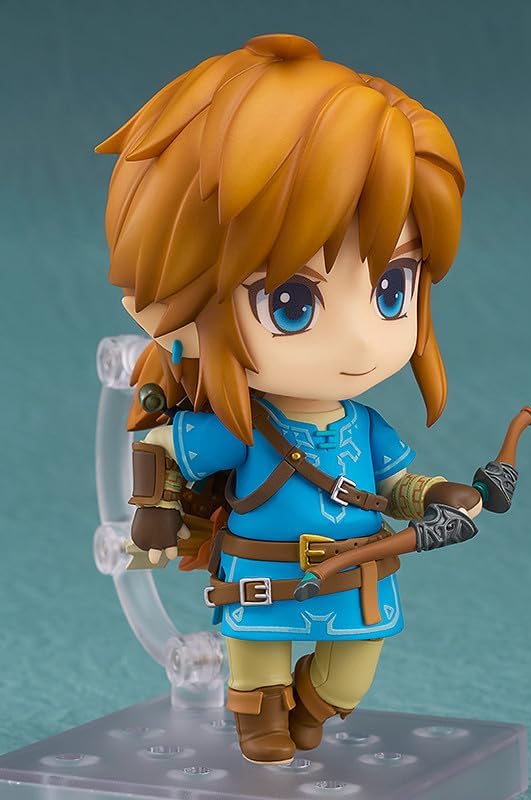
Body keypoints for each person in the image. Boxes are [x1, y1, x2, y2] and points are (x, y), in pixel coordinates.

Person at [96, 32, 482, 765]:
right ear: (178, 307)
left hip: (354, 574)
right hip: (262, 573)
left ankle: (315, 702)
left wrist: (436, 494)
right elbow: (165, 445)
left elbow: (396, 483)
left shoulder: (364, 424)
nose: (362, 341)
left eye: (391, 289)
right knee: (259, 673)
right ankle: (260, 715)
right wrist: (153, 509)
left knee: (347, 678)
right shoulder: (244, 426)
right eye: (293, 302)